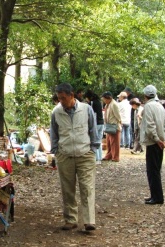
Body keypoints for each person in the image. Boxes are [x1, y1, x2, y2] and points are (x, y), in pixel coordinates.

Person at [50, 83, 100, 232]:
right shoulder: (56, 112)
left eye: (63, 98)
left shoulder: (86, 109)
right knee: (67, 189)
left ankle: (89, 221)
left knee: (87, 187)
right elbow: (53, 133)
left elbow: (93, 129)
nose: (61, 101)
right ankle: (70, 219)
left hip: (85, 154)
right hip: (65, 155)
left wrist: (93, 149)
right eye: (59, 98)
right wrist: (56, 151)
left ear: (72, 95)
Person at [140, 85, 165, 205]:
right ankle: (155, 195)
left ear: (145, 96)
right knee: (156, 169)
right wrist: (164, 139)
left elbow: (150, 126)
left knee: (153, 171)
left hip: (154, 142)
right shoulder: (160, 106)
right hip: (159, 142)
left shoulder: (148, 107)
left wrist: (157, 140)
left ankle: (157, 197)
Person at [84, 90, 104, 164]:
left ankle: (96, 158)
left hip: (96, 123)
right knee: (99, 140)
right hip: (101, 122)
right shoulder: (99, 102)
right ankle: (100, 157)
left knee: (94, 140)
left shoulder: (91, 103)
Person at [101, 92, 121, 161]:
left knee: (114, 142)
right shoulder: (107, 105)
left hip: (114, 126)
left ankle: (115, 157)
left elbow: (118, 115)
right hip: (108, 125)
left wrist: (120, 123)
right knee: (109, 142)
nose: (104, 101)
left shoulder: (114, 104)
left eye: (104, 99)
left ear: (109, 98)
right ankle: (109, 155)